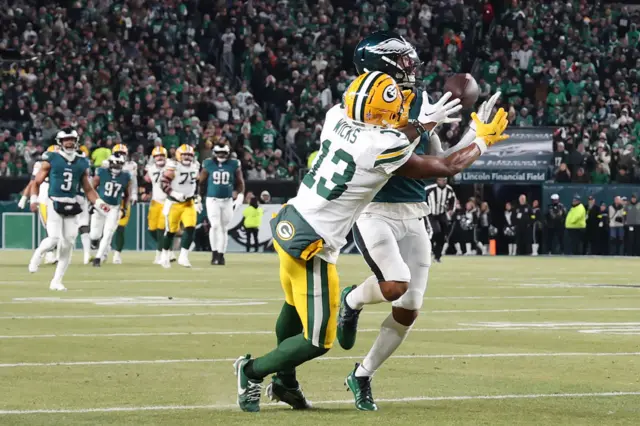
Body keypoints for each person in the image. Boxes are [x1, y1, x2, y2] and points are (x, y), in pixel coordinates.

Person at [232, 71, 510, 413]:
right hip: (315, 243)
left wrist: (423, 125)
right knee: (319, 339)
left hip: (292, 222)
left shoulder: (336, 117)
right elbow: (444, 165)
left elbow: (393, 134)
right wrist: (479, 139)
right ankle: (251, 371)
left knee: (293, 305)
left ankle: (287, 381)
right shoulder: (381, 147)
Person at [345, 31, 502, 410]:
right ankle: (351, 300)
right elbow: (380, 146)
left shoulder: (419, 100)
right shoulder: (360, 103)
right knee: (396, 285)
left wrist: (471, 132)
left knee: (410, 305)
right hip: (373, 208)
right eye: (402, 60)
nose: (411, 67)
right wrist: (461, 135)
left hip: (414, 211)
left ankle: (362, 374)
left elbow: (442, 163)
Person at [28, 128, 110, 290]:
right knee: (54, 239)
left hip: (72, 204)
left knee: (68, 243)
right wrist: (33, 199)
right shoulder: (51, 158)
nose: (69, 142)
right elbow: (36, 182)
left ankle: (56, 281)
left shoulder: (81, 161)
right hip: (53, 201)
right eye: (66, 140)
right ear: (60, 142)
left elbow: (88, 189)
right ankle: (38, 254)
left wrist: (100, 204)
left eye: (72, 139)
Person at [200, 143, 245, 265]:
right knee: (214, 226)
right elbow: (201, 182)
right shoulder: (208, 163)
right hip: (212, 199)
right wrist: (198, 197)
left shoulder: (234, 164)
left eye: (223, 153)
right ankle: (214, 254)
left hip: (227, 200)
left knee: (224, 228)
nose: (221, 155)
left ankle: (221, 255)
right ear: (214, 153)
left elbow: (240, 182)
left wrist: (240, 194)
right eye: (219, 153)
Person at [160, 144, 201, 268]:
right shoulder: (173, 166)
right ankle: (165, 254)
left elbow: (197, 183)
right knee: (171, 231)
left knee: (190, 227)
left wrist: (197, 197)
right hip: (174, 203)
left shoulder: (196, 165)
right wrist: (174, 193)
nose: (187, 157)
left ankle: (183, 256)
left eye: (189, 155)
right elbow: (163, 183)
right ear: (179, 155)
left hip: (189, 202)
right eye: (185, 155)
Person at [90, 154, 131, 267]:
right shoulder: (102, 172)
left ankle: (98, 258)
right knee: (94, 235)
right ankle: (95, 244)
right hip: (100, 205)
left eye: (119, 164)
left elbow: (127, 194)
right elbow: (91, 188)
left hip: (114, 208)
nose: (117, 166)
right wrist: (92, 202)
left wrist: (124, 207)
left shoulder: (126, 176)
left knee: (108, 234)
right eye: (115, 163)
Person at [106, 144, 138, 264]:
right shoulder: (106, 164)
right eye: (118, 153)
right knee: (107, 228)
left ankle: (117, 253)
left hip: (124, 198)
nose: (120, 155)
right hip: (109, 199)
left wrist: (134, 194)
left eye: (123, 153)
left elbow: (133, 182)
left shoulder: (131, 165)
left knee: (120, 227)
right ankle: (105, 248)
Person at [144, 147, 169, 264]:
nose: (159, 158)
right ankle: (166, 248)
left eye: (161, 156)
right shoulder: (150, 169)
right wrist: (145, 192)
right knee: (151, 229)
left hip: (168, 201)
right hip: (155, 201)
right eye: (157, 156)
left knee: (161, 229)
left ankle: (159, 255)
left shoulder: (172, 167)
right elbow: (146, 182)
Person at [425, 178, 457, 262]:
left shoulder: (449, 189)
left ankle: (437, 256)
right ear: (437, 180)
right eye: (441, 180)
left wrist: (451, 210)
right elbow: (422, 198)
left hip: (442, 214)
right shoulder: (430, 189)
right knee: (435, 231)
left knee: (443, 235)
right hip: (431, 214)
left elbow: (453, 200)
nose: (443, 182)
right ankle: (429, 250)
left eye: (444, 180)